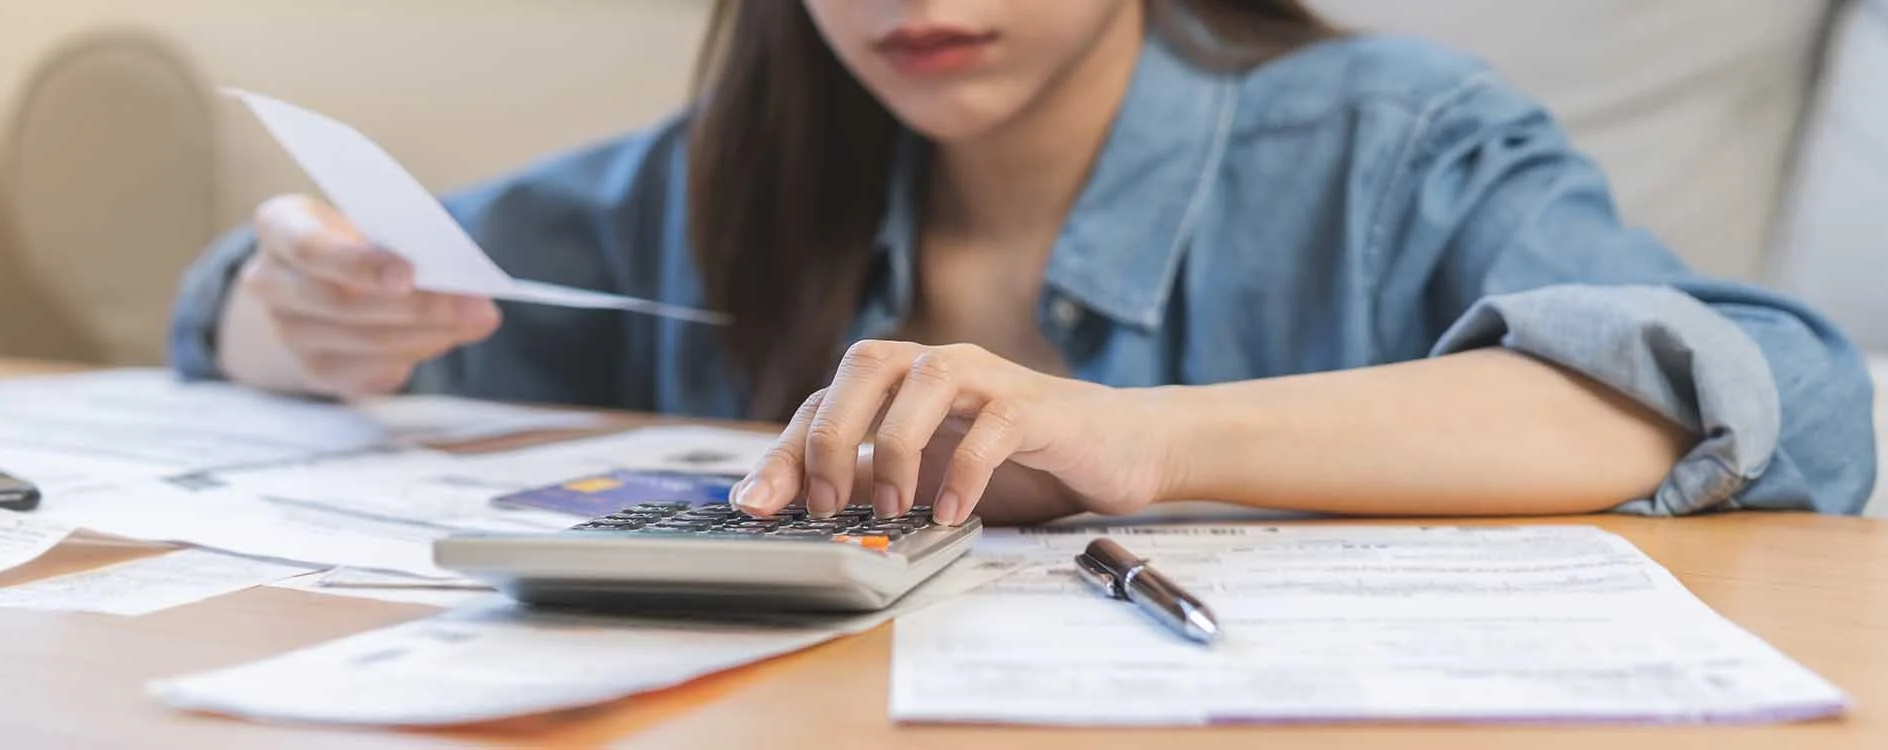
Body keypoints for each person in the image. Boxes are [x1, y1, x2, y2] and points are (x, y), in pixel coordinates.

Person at [170, 0, 1875, 527]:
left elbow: (1767, 393)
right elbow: (240, 328)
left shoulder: (1389, 143)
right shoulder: (726, 178)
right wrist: (299, 313)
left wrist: (1150, 437)